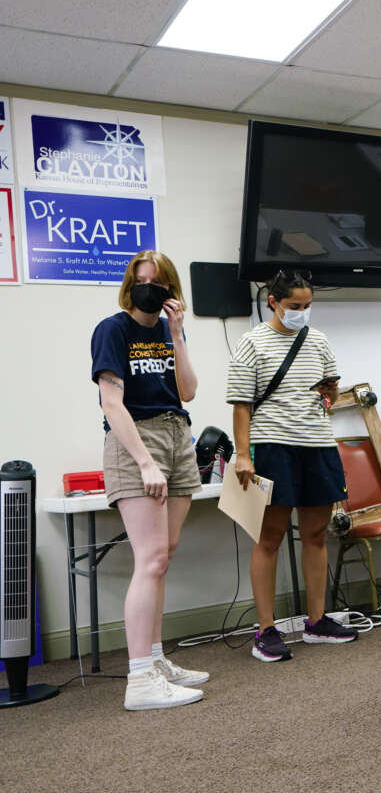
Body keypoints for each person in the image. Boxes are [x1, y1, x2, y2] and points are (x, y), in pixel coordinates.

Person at [90, 250, 208, 711]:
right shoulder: (113, 329)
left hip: (179, 433)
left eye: (158, 282)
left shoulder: (167, 329)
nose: (150, 288)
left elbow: (189, 391)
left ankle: (156, 659)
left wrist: (177, 334)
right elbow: (111, 404)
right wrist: (144, 462)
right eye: (142, 281)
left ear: (170, 289)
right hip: (136, 439)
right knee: (151, 559)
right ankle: (140, 679)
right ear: (129, 284)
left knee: (166, 555)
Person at [226, 269, 358, 662]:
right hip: (272, 447)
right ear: (273, 302)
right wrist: (243, 454)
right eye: (294, 306)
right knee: (269, 538)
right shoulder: (251, 342)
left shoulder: (318, 342)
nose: (302, 312)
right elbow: (241, 404)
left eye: (307, 306)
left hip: (316, 445)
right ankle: (265, 629)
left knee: (316, 534)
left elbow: (330, 388)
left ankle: (316, 621)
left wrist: (329, 393)